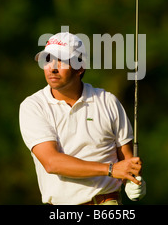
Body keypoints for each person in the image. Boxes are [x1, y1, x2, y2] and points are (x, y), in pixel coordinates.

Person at [19, 31, 146, 205]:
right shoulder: (33, 106)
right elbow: (52, 162)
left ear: (80, 67)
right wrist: (110, 170)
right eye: (47, 60)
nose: (52, 67)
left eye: (62, 61)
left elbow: (126, 160)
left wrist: (132, 181)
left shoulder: (107, 101)